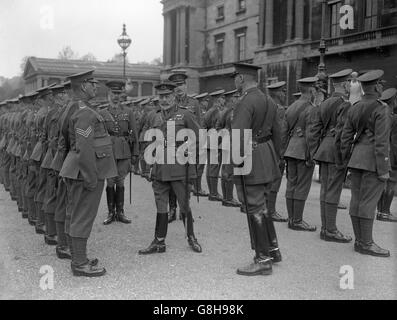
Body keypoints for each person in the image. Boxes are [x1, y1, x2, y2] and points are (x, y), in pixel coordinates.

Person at [60, 70, 118, 277]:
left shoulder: (80, 108)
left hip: (79, 170)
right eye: (93, 83)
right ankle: (79, 263)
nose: (96, 86)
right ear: (84, 85)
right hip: (85, 172)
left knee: (76, 214)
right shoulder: (84, 112)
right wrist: (90, 177)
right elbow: (83, 148)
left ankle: (78, 257)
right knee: (83, 216)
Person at [139, 80, 202, 255]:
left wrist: (192, 164)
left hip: (179, 168)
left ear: (175, 96)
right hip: (159, 168)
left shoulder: (186, 115)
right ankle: (159, 241)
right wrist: (147, 165)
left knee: (184, 205)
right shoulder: (154, 116)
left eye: (167, 96)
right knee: (161, 205)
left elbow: (198, 139)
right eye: (161, 97)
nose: (164, 100)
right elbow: (148, 141)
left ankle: (191, 237)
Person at [231, 63, 282, 276]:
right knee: (262, 205)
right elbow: (278, 133)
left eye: (235, 77)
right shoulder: (269, 100)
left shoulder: (245, 102)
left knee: (254, 207)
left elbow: (238, 136)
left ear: (242, 79)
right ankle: (273, 250)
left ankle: (262, 259)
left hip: (250, 156)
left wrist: (234, 165)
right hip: (267, 154)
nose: (234, 81)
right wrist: (275, 158)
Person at [340, 69, 390, 258]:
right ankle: (366, 243)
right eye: (380, 84)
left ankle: (359, 240)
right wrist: (384, 168)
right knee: (368, 202)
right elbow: (382, 142)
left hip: (356, 160)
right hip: (373, 162)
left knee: (357, 200)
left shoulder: (355, 107)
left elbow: (345, 136)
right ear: (376, 86)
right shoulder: (381, 108)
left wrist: (346, 158)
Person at [308, 69, 354, 243]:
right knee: (333, 191)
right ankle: (331, 230)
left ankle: (326, 228)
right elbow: (343, 133)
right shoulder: (345, 104)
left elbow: (313, 131)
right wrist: (344, 156)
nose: (351, 85)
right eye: (349, 82)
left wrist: (315, 152)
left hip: (324, 150)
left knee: (325, 190)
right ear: (344, 84)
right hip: (336, 152)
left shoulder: (325, 103)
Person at [281, 76, 318, 232]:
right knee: (302, 186)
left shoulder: (291, 107)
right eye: (315, 89)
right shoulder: (311, 108)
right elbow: (311, 134)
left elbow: (284, 131)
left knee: (291, 184)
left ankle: (291, 218)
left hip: (290, 149)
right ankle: (297, 220)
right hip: (303, 151)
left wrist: (283, 151)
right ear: (311, 90)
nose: (316, 92)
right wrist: (312, 155)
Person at [100, 81, 139, 225]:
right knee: (110, 181)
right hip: (108, 152)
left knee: (120, 181)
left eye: (118, 94)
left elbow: (134, 133)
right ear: (108, 94)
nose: (115, 97)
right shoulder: (102, 113)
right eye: (113, 94)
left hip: (123, 151)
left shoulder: (128, 112)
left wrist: (135, 154)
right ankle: (111, 213)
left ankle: (120, 212)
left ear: (121, 95)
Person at [266, 81, 289, 222]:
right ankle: (271, 210)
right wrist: (281, 153)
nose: (285, 94)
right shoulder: (279, 109)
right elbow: (280, 133)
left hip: (265, 147)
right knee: (275, 180)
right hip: (275, 149)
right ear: (278, 93)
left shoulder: (266, 107)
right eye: (283, 91)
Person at [376, 87, 397, 223]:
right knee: (391, 183)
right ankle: (385, 212)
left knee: (383, 183)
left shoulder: (380, 114)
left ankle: (380, 211)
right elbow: (395, 141)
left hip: (381, 153)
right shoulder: (394, 118)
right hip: (393, 155)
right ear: (393, 101)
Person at [218, 89, 240, 208]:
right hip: (230, 144)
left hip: (229, 143)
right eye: (236, 97)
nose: (237, 99)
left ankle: (227, 197)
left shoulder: (228, 111)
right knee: (228, 171)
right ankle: (228, 198)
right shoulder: (229, 112)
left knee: (226, 170)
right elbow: (218, 126)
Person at [204, 89, 225, 202]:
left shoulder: (210, 110)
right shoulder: (217, 111)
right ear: (218, 99)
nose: (224, 100)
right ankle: (213, 193)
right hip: (216, 140)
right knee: (214, 167)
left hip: (210, 139)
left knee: (211, 167)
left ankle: (212, 192)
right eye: (222, 98)